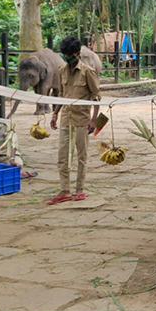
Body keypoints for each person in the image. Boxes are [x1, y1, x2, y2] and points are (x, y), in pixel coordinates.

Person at [47, 36, 101, 205]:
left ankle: (79, 189)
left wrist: (94, 120)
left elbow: (96, 97)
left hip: (82, 120)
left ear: (77, 54)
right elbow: (61, 95)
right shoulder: (62, 71)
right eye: (64, 55)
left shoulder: (88, 72)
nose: (66, 58)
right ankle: (64, 190)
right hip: (66, 119)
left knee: (81, 155)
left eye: (69, 55)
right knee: (62, 155)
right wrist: (55, 114)